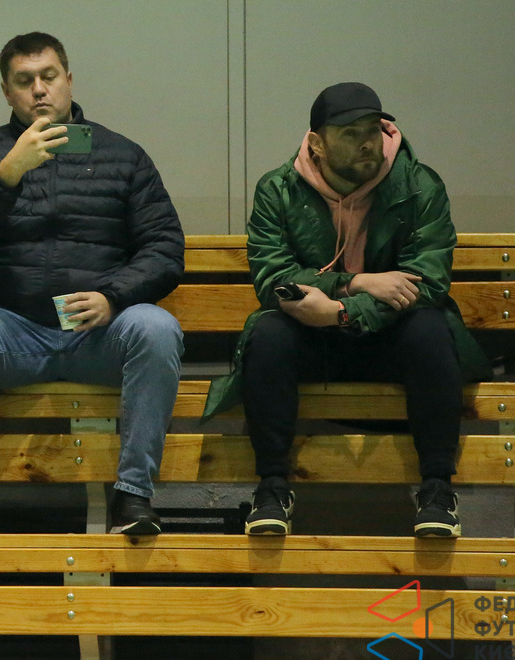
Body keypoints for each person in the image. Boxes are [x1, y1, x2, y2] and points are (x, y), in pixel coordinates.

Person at [203, 82, 491, 538]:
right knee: (269, 334)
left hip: (388, 335)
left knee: (430, 328)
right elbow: (274, 278)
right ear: (316, 143)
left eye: (372, 130)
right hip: (312, 337)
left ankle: (438, 489)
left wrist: (341, 312)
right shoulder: (278, 189)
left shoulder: (419, 184)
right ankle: (272, 488)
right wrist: (356, 283)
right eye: (350, 133)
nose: (366, 143)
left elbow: (427, 281)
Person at [0, 32, 185, 536]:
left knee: (157, 328)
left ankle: (133, 498)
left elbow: (165, 247)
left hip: (99, 336)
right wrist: (8, 171)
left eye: (48, 77)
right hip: (13, 332)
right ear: (7, 92)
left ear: (69, 80)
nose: (39, 90)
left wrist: (114, 297)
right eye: (24, 81)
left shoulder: (122, 154)